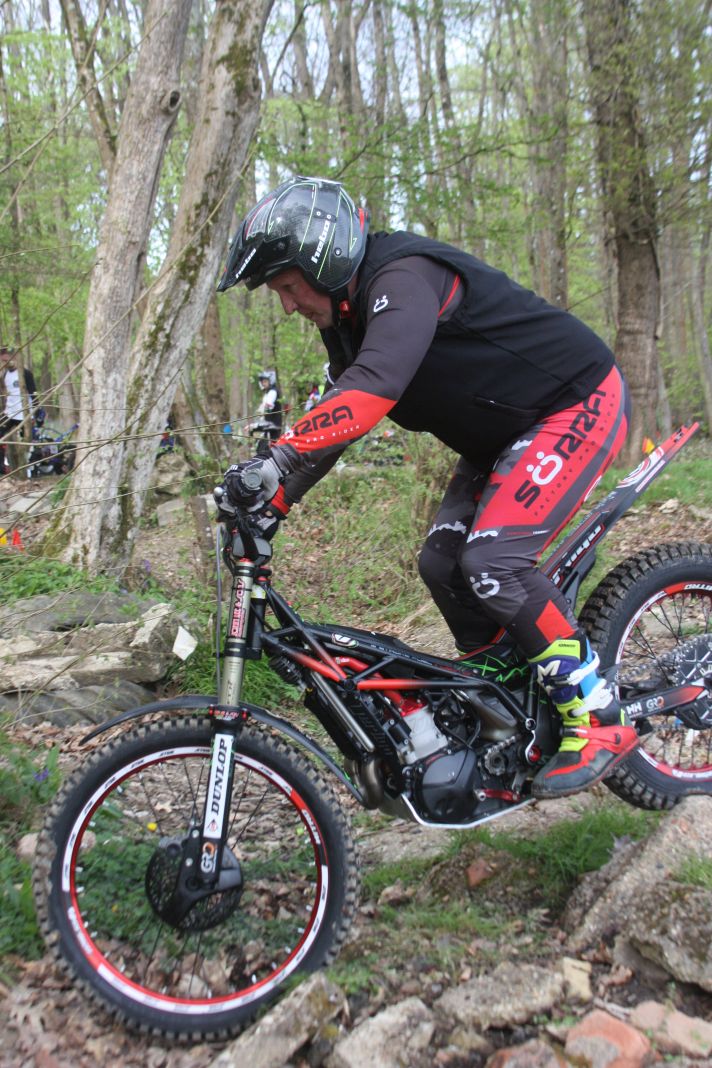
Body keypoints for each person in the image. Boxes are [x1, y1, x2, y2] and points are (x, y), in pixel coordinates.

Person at [215, 175, 637, 800]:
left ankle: (597, 716)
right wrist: (273, 498)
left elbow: (375, 386)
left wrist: (278, 457)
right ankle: (510, 701)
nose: (286, 305)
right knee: (441, 564)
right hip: (507, 436)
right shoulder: (347, 320)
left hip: (575, 403)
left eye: (287, 286)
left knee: (493, 563)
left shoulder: (404, 277)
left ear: (321, 258)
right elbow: (342, 420)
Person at [1, 346, 37, 475]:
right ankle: (2, 468)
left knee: (26, 442)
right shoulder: (5, 374)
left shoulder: (25, 373)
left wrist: (37, 411)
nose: (6, 362)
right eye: (3, 360)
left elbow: (33, 393)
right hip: (10, 413)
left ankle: (28, 471)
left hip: (24, 413)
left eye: (7, 359)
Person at [250, 369, 283, 443]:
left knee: (272, 444)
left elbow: (268, 407)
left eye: (265, 381)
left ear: (270, 381)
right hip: (269, 424)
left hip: (274, 425)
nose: (263, 384)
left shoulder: (273, 392)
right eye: (262, 382)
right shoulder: (267, 393)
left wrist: (261, 414)